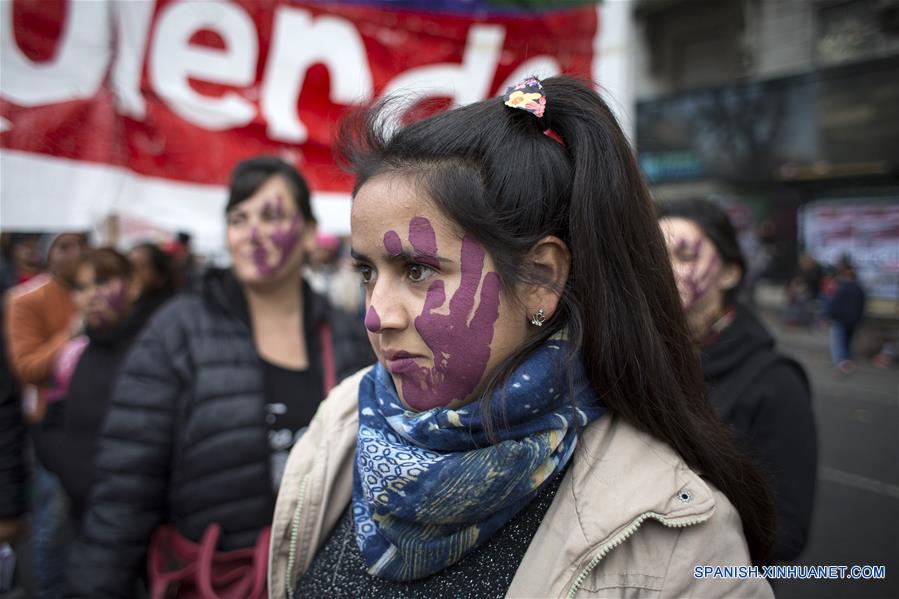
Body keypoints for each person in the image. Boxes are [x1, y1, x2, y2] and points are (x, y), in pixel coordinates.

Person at [269, 76, 775, 598]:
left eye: (417, 271)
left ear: (540, 279)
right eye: (368, 274)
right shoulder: (340, 425)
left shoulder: (674, 537)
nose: (376, 315)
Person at [66, 156, 373, 597]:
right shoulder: (177, 331)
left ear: (308, 232)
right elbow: (125, 491)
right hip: (215, 581)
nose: (251, 233)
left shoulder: (346, 337)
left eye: (270, 216)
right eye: (238, 217)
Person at [658, 198, 817, 563]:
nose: (662, 271)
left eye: (683, 256)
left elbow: (784, 533)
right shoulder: (634, 361)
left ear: (730, 272)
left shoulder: (775, 382)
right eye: (653, 255)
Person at [34, 248, 158, 522]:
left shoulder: (157, 352)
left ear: (134, 285)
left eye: (102, 282)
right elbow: (51, 422)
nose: (91, 295)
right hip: (82, 511)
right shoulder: (72, 355)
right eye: (80, 287)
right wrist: (68, 469)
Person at [4, 232, 87, 599]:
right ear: (48, 253)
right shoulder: (24, 300)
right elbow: (28, 368)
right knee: (52, 525)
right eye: (64, 246)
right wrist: (72, 333)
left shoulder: (101, 292)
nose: (76, 254)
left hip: (97, 427)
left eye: (82, 244)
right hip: (50, 430)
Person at [824, 256, 866, 373]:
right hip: (852, 319)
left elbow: (834, 303)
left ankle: (842, 362)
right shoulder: (859, 288)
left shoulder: (840, 287)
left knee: (838, 341)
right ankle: (847, 361)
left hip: (840, 319)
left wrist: (828, 316)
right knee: (847, 341)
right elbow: (862, 305)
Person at [128, 242, 176, 315]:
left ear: (160, 275)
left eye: (142, 267)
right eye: (130, 268)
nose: (133, 274)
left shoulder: (168, 307)